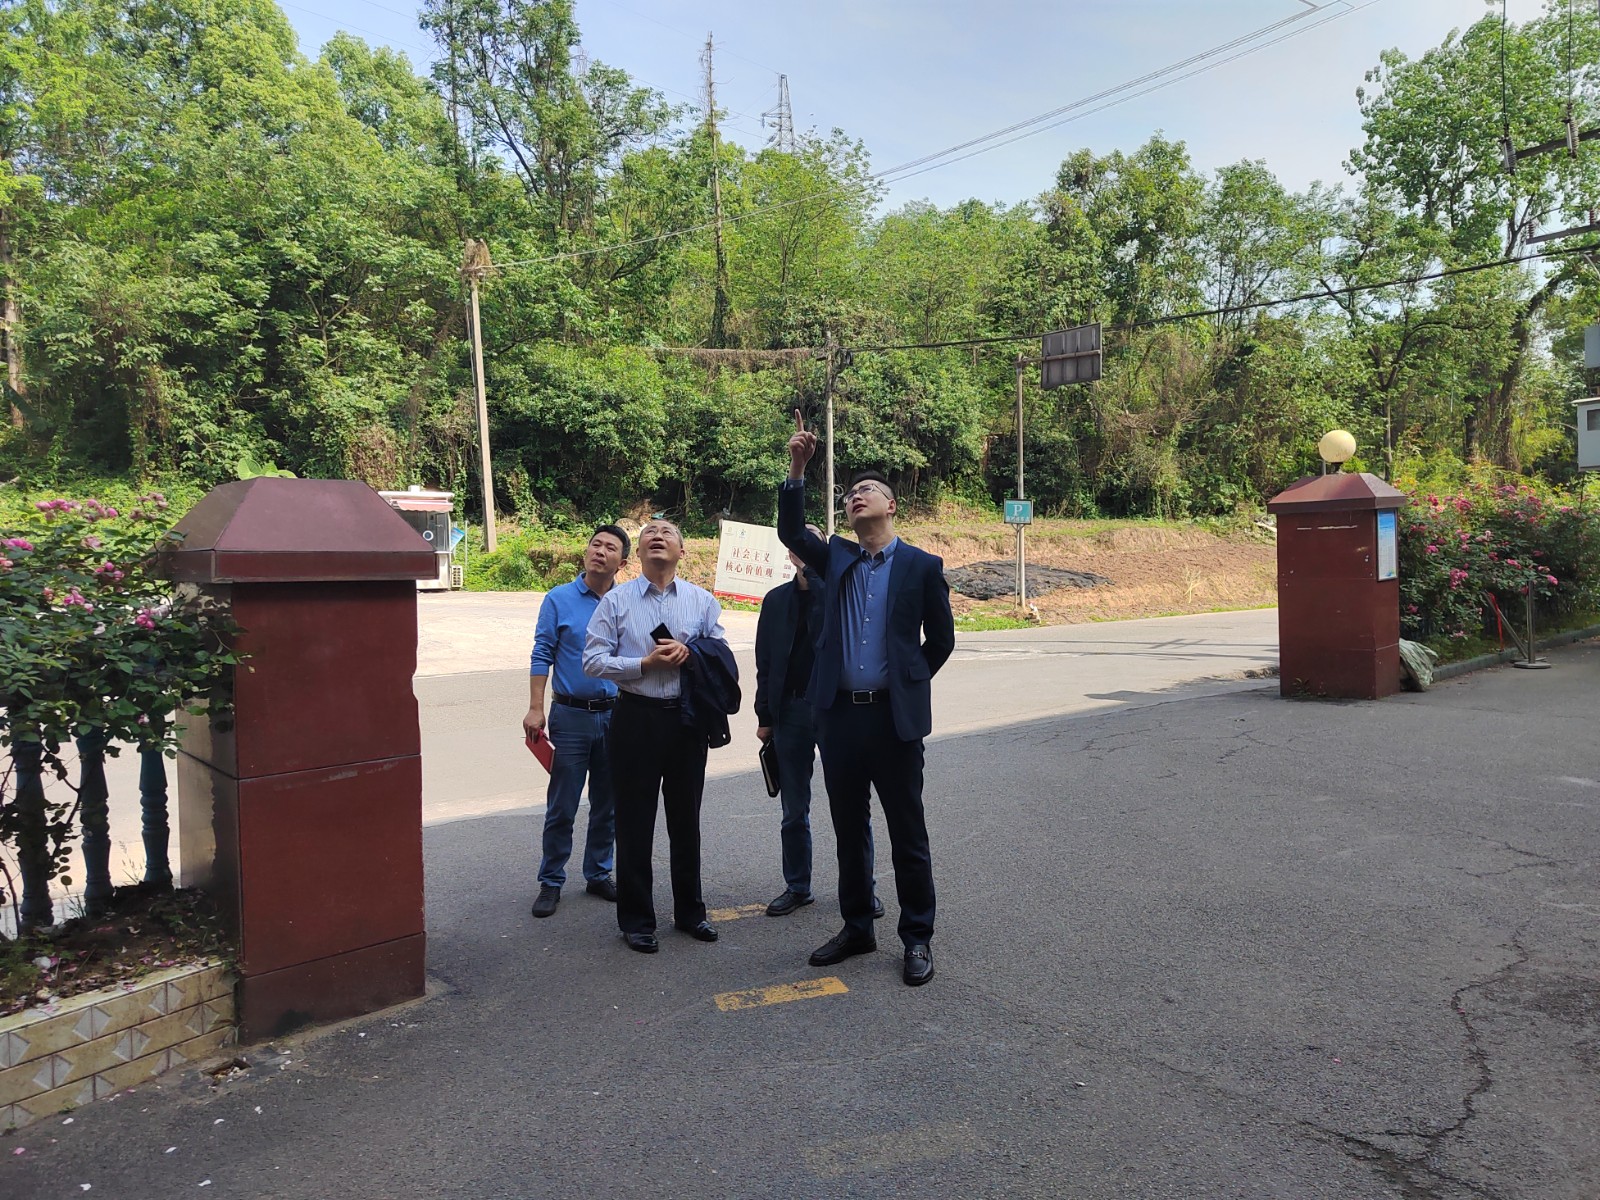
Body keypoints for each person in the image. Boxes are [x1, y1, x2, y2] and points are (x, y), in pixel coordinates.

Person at [778, 412, 955, 986]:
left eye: (867, 491)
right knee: (849, 830)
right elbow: (792, 533)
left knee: (907, 832)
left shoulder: (921, 566)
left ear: (891, 506)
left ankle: (917, 936)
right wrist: (797, 469)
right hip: (839, 718)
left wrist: (909, 680)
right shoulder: (837, 556)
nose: (856, 497)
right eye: (850, 494)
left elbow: (941, 639)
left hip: (893, 719)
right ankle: (857, 927)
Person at [583, 518, 733, 953]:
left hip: (686, 721)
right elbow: (592, 660)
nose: (657, 536)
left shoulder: (702, 601)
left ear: (682, 551)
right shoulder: (616, 601)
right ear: (639, 552)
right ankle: (636, 919)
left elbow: (720, 654)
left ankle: (691, 913)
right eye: (650, 532)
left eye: (667, 532)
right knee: (634, 822)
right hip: (635, 717)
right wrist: (642, 665)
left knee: (686, 821)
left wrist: (692, 653)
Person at [753, 529, 882, 920]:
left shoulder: (841, 594)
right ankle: (798, 886)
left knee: (852, 807)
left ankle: (863, 890)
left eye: (812, 543)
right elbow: (765, 663)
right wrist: (764, 716)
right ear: (790, 553)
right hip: (791, 711)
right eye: (797, 544)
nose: (803, 549)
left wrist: (820, 578)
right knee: (794, 808)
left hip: (835, 709)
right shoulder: (776, 600)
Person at [522, 525, 629, 919]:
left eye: (610, 547)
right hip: (570, 716)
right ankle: (551, 880)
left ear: (622, 562)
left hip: (616, 715)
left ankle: (598, 873)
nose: (600, 551)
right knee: (562, 805)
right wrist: (536, 707)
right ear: (585, 553)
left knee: (608, 803)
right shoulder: (559, 599)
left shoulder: (627, 601)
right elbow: (542, 653)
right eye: (595, 544)